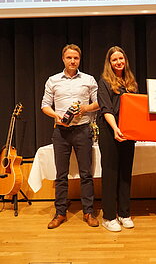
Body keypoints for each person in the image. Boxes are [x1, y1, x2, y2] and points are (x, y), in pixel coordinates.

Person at [41, 44, 99, 229]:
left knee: (86, 174)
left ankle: (88, 212)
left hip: (82, 130)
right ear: (63, 59)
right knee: (61, 175)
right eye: (69, 58)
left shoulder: (89, 79)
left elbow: (99, 102)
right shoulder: (53, 80)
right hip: (60, 132)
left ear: (80, 59)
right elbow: (44, 105)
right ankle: (60, 213)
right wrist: (56, 115)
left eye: (76, 58)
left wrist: (85, 108)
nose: (72, 61)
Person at [97, 46, 138, 232]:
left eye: (121, 58)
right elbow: (105, 109)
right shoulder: (104, 82)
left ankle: (124, 213)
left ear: (125, 60)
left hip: (129, 132)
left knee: (125, 173)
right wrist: (115, 128)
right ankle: (109, 216)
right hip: (110, 130)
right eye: (114, 59)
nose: (118, 62)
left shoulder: (130, 81)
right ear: (109, 62)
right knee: (111, 173)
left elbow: (138, 107)